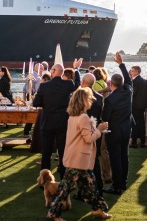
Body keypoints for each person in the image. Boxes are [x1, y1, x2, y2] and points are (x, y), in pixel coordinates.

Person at [47, 88, 111, 221]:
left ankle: (98, 209)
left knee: (90, 186)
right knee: (66, 188)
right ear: (84, 101)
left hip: (77, 157)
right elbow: (88, 138)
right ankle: (53, 213)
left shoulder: (73, 116)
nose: (91, 102)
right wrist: (99, 129)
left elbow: (82, 135)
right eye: (90, 99)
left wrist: (95, 129)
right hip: (79, 159)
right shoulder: (83, 117)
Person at [32, 58, 82, 178]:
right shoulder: (68, 84)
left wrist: (47, 104)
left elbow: (35, 103)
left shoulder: (44, 86)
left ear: (53, 71)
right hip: (62, 123)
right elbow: (77, 84)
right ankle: (64, 176)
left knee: (46, 152)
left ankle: (45, 178)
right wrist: (76, 69)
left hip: (47, 122)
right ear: (62, 73)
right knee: (63, 151)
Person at [102, 52, 133, 195]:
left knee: (115, 158)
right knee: (124, 157)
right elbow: (128, 79)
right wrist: (121, 64)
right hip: (126, 129)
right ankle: (123, 183)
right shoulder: (128, 91)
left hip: (113, 131)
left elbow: (105, 117)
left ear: (111, 84)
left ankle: (117, 186)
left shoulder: (109, 99)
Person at [129, 65, 147, 148]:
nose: (131, 72)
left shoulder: (134, 81)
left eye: (132, 71)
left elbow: (133, 93)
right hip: (143, 106)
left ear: (136, 72)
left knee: (134, 124)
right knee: (142, 123)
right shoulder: (145, 81)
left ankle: (134, 142)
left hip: (134, 105)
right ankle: (143, 142)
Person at [23, 63, 43, 137]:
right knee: (35, 114)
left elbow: (24, 88)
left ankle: (26, 131)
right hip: (35, 96)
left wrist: (25, 98)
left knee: (30, 113)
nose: (42, 69)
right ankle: (29, 131)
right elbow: (38, 90)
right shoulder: (37, 77)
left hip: (29, 95)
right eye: (41, 68)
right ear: (36, 68)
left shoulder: (29, 75)